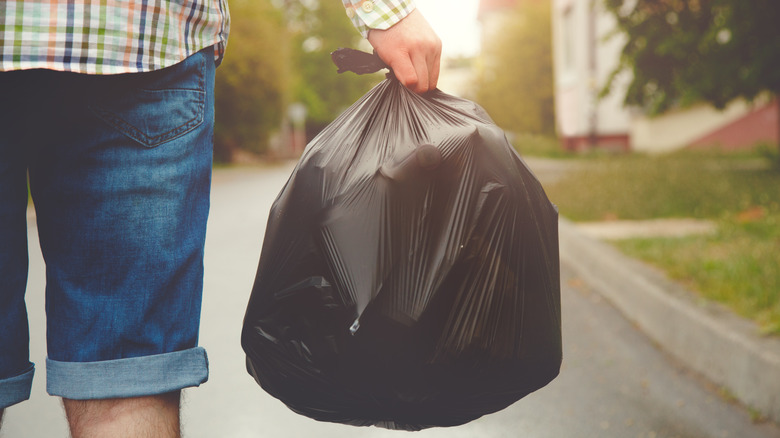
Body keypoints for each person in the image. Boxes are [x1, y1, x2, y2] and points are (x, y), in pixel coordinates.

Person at [0, 0, 440, 436]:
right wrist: (385, 12)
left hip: (133, 50)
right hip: (138, 41)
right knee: (129, 378)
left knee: (133, 374)